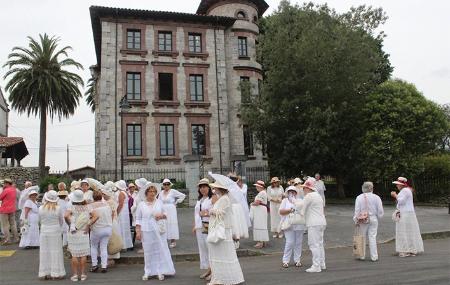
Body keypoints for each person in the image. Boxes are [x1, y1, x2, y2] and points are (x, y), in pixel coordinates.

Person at [207, 180, 245, 285]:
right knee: (220, 254)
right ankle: (219, 277)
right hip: (221, 228)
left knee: (223, 253)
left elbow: (221, 213)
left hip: (223, 229)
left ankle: (223, 278)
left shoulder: (224, 199)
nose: (214, 189)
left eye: (216, 187)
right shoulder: (222, 198)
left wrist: (211, 211)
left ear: (220, 188)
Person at [136, 182, 175, 281]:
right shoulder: (141, 204)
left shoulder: (159, 202)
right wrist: (138, 231)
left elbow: (166, 213)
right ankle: (148, 271)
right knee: (148, 251)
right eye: (150, 191)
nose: (152, 193)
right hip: (146, 230)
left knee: (158, 250)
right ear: (146, 193)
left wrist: (161, 215)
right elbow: (138, 219)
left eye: (154, 191)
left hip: (158, 229)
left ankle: (159, 271)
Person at [391, 177, 424, 257]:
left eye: (398, 184)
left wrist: (395, 195)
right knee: (409, 230)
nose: (397, 186)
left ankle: (405, 250)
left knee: (403, 230)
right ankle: (411, 249)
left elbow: (402, 201)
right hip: (407, 213)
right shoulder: (406, 190)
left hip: (405, 214)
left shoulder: (405, 190)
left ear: (402, 185)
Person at [353, 182, 384, 262]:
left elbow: (357, 211)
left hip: (363, 219)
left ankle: (362, 255)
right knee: (372, 237)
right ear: (372, 188)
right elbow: (380, 211)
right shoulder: (377, 197)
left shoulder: (359, 197)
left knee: (362, 237)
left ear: (363, 188)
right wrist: (377, 216)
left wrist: (356, 219)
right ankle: (374, 256)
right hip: (373, 218)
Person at [301, 177, 327, 273]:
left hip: (313, 223)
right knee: (319, 244)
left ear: (308, 188)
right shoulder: (318, 195)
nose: (303, 190)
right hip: (321, 222)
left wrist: (294, 207)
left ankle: (316, 266)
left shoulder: (309, 196)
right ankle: (321, 263)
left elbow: (302, 210)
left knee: (313, 244)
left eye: (304, 188)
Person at [38, 190, 66, 280]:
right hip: (55, 230)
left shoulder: (40, 208)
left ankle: (45, 272)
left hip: (44, 230)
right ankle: (56, 273)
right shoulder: (58, 208)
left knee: (44, 251)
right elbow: (61, 221)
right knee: (56, 251)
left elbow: (39, 221)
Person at [65, 189, 91, 282]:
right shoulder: (87, 207)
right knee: (83, 254)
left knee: (74, 254)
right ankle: (83, 274)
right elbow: (96, 216)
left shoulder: (71, 207)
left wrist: (69, 224)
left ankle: (75, 275)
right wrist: (88, 226)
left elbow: (65, 216)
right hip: (83, 232)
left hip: (73, 232)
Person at [279, 186, 305, 268]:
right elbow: (281, 211)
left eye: (293, 192)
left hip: (299, 224)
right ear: (287, 193)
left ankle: (297, 260)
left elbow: (303, 211)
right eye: (290, 192)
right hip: (288, 224)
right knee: (290, 242)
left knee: (298, 242)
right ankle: (285, 261)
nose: (291, 193)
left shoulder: (300, 200)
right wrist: (290, 210)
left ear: (296, 193)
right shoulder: (285, 201)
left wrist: (296, 205)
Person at [193, 178, 213, 280]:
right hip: (199, 227)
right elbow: (196, 214)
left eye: (204, 187)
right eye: (201, 187)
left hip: (208, 226)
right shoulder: (200, 200)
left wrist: (205, 213)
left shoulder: (212, 198)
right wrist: (195, 226)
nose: (202, 189)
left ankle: (213, 270)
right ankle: (208, 269)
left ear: (209, 188)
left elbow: (215, 211)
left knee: (210, 248)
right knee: (203, 249)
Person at [89, 190, 113, 273]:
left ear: (93, 197)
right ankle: (104, 266)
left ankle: (94, 265)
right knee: (103, 247)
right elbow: (111, 215)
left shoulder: (91, 206)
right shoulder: (107, 205)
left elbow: (90, 217)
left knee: (94, 246)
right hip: (107, 228)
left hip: (97, 229)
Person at [158, 178, 186, 248]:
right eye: (165, 184)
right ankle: (164, 240)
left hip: (171, 210)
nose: (166, 185)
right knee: (163, 224)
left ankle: (173, 241)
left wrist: (176, 202)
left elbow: (183, 195)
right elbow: (158, 201)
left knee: (172, 224)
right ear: (163, 185)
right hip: (163, 209)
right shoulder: (161, 193)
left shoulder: (173, 191)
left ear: (170, 185)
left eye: (168, 184)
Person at [102, 181, 121, 262]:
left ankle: (111, 258)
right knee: (111, 239)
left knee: (111, 240)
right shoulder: (111, 201)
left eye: (103, 194)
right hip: (113, 222)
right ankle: (111, 258)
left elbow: (111, 213)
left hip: (111, 222)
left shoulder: (109, 202)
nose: (102, 196)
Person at [250, 180, 269, 249]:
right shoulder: (262, 192)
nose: (256, 187)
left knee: (259, 224)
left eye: (257, 186)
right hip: (260, 210)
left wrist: (252, 203)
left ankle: (260, 241)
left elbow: (257, 202)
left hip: (260, 210)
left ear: (260, 187)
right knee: (261, 224)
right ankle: (262, 241)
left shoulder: (262, 193)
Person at [115, 180, 133, 250]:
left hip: (122, 212)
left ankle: (122, 245)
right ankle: (125, 244)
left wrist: (117, 212)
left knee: (121, 227)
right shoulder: (126, 192)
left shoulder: (121, 193)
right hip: (125, 211)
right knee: (124, 227)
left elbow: (120, 204)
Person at [0, 178, 19, 245]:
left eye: (5, 183)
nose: (4, 184)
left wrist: (3, 189)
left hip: (4, 209)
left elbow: (0, 197)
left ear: (7, 183)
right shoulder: (14, 189)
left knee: (5, 225)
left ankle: (7, 240)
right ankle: (16, 238)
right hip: (12, 209)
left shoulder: (6, 190)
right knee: (13, 224)